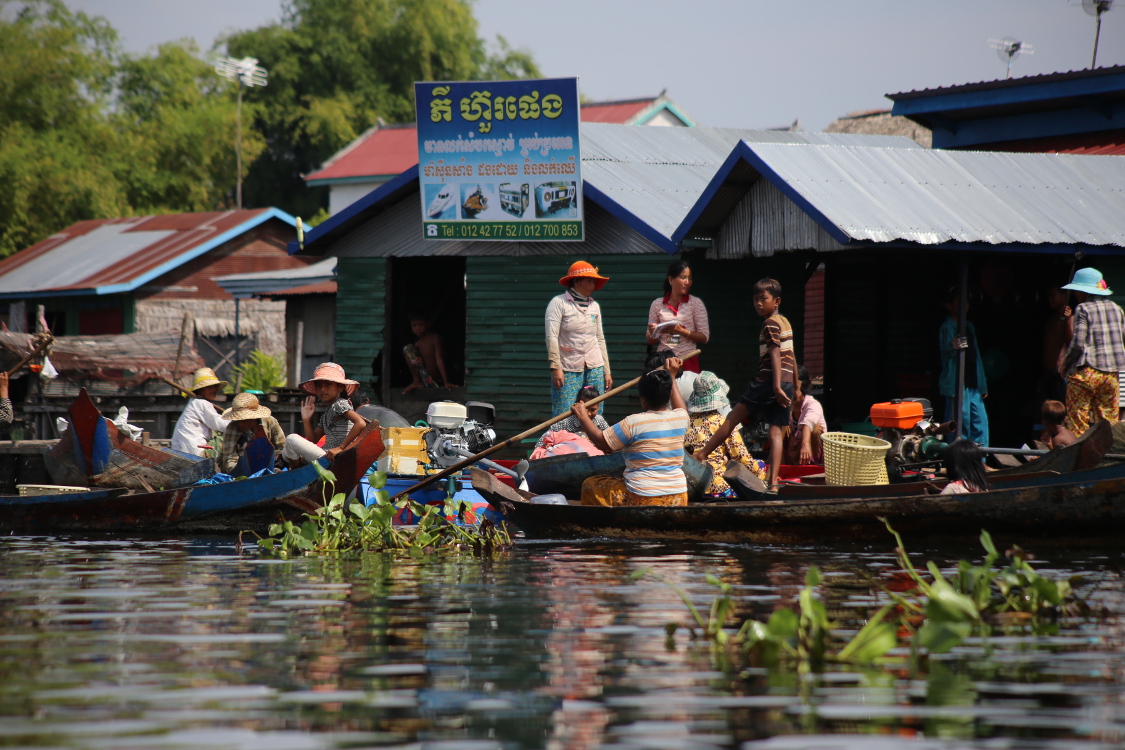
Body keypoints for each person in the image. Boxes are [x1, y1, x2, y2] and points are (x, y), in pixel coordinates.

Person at [694, 278, 796, 491]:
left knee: (732, 418)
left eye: (763, 299)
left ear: (776, 300)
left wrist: (775, 387)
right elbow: (791, 356)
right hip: (785, 382)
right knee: (776, 433)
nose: (758, 303)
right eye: (755, 299)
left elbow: (776, 354)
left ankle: (701, 455)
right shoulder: (785, 322)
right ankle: (774, 483)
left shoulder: (769, 324)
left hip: (768, 382)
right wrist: (795, 385)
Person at [572, 357, 689, 507]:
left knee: (591, 484)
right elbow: (680, 407)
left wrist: (582, 416)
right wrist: (672, 376)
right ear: (668, 395)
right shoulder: (680, 418)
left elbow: (602, 443)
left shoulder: (633, 422)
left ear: (643, 400)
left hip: (642, 498)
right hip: (678, 497)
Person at [1060, 267, 1125, 436]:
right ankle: (1108, 458)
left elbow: (1078, 342)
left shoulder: (1083, 308)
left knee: (1077, 423)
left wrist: (1066, 364)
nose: (1075, 294)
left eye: (1076, 291)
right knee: (1108, 424)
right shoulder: (1117, 309)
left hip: (1087, 373)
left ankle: (1079, 459)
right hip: (1111, 375)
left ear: (1085, 291)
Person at [546, 261, 613, 417]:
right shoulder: (559, 303)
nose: (593, 284)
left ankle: (591, 441)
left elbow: (600, 338)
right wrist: (556, 367)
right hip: (568, 366)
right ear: (576, 281)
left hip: (594, 365)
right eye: (589, 280)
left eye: (594, 281)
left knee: (595, 410)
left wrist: (606, 371)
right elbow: (551, 337)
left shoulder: (594, 306)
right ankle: (563, 440)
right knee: (564, 411)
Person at [683, 371, 766, 496]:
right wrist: (763, 476)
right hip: (717, 487)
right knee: (761, 464)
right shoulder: (723, 423)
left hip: (692, 485)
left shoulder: (687, 422)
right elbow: (741, 457)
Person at [281, 362, 368, 466]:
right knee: (286, 452)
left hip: (336, 457)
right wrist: (306, 419)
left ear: (340, 387)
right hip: (326, 455)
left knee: (291, 439)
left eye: (328, 384)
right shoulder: (327, 413)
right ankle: (300, 474)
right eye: (319, 386)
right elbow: (313, 440)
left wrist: (340, 448)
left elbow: (360, 423)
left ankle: (297, 476)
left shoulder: (339, 404)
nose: (323, 389)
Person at [939, 288, 989, 447]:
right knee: (960, 424)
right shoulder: (947, 327)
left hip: (973, 383)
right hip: (957, 384)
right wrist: (951, 346)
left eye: (966, 303)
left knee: (980, 422)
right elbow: (944, 353)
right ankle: (958, 460)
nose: (964, 306)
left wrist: (982, 384)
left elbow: (976, 357)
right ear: (948, 305)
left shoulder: (969, 326)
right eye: (959, 303)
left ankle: (980, 461)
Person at [646, 259, 709, 373]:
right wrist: (653, 331)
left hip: (687, 360)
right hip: (664, 361)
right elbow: (650, 341)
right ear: (671, 279)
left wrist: (682, 331)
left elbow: (704, 337)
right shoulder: (657, 304)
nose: (687, 282)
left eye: (690, 278)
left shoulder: (696, 303)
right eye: (683, 277)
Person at [219, 393, 287, 475]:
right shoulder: (231, 428)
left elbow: (281, 447)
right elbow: (229, 459)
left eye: (244, 420)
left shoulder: (270, 422)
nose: (240, 424)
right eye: (238, 420)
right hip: (240, 469)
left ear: (254, 417)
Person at [171, 368, 230, 457]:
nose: (214, 390)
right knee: (231, 438)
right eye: (209, 387)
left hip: (184, 449)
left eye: (215, 387)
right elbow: (220, 425)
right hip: (194, 451)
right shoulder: (201, 403)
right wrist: (238, 422)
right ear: (200, 390)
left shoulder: (196, 402)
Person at [534, 385, 610, 451]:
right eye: (585, 409)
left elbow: (610, 440)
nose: (589, 414)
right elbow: (539, 446)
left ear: (598, 407)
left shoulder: (599, 421)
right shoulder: (564, 424)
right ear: (577, 405)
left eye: (593, 410)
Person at [403, 310, 457, 395]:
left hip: (439, 381)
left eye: (420, 324)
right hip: (427, 381)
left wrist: (446, 382)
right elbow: (417, 364)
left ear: (428, 324)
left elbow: (439, 360)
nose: (417, 328)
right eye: (414, 325)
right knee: (407, 348)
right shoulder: (417, 345)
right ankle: (417, 381)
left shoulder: (434, 339)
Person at [784, 366, 826, 465]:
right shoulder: (787, 405)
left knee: (816, 429)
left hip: (811, 450)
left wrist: (805, 444)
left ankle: (813, 464)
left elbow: (808, 424)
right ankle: (781, 467)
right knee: (782, 426)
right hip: (794, 451)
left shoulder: (813, 404)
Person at [1041, 285, 1073, 404]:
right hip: (1050, 372)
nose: (1049, 299)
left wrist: (1067, 321)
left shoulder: (1069, 319)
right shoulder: (1053, 317)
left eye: (1053, 296)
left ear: (1064, 296)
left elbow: (1072, 344)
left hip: (1060, 372)